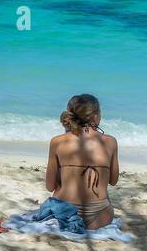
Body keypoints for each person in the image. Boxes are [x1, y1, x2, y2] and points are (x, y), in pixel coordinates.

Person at [44, 93, 119, 229]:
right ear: (95, 117)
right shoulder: (110, 142)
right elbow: (113, 181)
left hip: (63, 214)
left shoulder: (57, 141)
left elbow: (50, 186)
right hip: (100, 216)